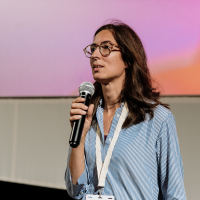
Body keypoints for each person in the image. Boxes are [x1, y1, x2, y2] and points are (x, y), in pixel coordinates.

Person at [65, 21, 187, 200]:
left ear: (128, 60)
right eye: (93, 48)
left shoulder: (157, 119)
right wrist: (80, 138)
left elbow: (175, 195)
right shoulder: (87, 115)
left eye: (105, 48)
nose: (95, 55)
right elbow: (76, 191)